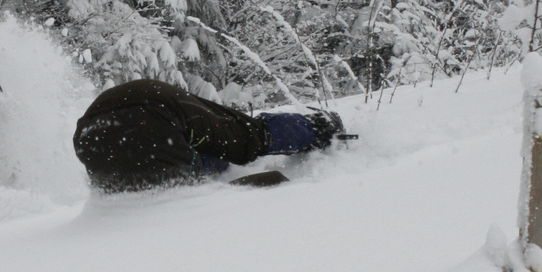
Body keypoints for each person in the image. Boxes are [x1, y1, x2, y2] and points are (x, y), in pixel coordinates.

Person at [73, 78, 347, 191]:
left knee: (137, 169)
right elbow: (246, 138)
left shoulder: (92, 120)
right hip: (159, 127)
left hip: (95, 147)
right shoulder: (180, 108)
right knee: (241, 142)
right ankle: (320, 127)